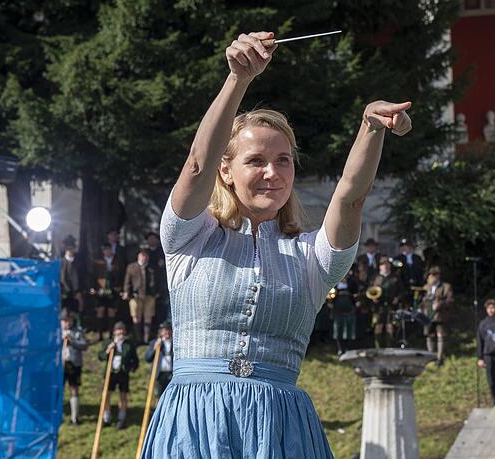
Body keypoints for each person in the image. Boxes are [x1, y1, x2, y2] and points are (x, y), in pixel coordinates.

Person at [141, 31, 411, 458]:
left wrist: (371, 128)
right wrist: (238, 79)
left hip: (281, 428)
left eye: (283, 160)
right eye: (256, 161)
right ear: (226, 172)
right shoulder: (188, 236)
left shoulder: (311, 257)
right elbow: (197, 165)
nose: (273, 172)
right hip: (194, 423)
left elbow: (351, 197)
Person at [97, 321, 139, 429]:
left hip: (123, 374)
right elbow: (100, 356)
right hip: (110, 373)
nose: (120, 333)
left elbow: (135, 360)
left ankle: (121, 418)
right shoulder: (108, 342)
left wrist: (130, 368)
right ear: (114, 332)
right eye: (118, 330)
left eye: (122, 330)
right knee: (106, 394)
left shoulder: (129, 344)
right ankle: (106, 417)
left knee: (123, 396)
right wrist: (108, 350)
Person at [123, 249, 158, 344]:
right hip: (135, 295)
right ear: (138, 256)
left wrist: (158, 291)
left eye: (146, 255)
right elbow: (127, 281)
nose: (144, 257)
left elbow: (158, 280)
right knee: (135, 316)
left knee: (148, 316)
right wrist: (126, 291)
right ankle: (138, 339)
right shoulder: (131, 267)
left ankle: (146, 339)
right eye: (142, 255)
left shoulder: (152, 267)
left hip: (149, 295)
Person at [91, 242, 124, 340]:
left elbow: (121, 274)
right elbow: (94, 275)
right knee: (100, 310)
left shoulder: (117, 261)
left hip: (113, 288)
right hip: (101, 288)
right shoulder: (98, 261)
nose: (107, 251)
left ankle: (111, 334)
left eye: (108, 249)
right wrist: (93, 287)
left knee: (111, 311)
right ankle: (100, 334)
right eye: (105, 250)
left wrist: (119, 286)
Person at [61, 310, 88, 425]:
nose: (67, 323)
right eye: (64, 321)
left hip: (74, 364)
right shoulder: (56, 332)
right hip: (60, 364)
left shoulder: (78, 332)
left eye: (69, 320)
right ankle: (59, 415)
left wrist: (72, 341)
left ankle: (74, 417)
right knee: (59, 389)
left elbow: (84, 345)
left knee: (74, 388)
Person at [422, 266, 453, 365]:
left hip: (440, 315)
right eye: (431, 275)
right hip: (428, 315)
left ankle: (439, 358)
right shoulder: (426, 287)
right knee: (429, 335)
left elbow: (450, 300)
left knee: (440, 335)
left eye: (435, 275)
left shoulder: (446, 286)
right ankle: (430, 356)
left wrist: (440, 304)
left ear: (438, 276)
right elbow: (421, 300)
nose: (432, 277)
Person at [144, 320, 173, 396]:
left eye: (169, 330)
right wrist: (154, 349)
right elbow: (147, 358)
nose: (167, 332)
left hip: (172, 374)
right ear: (161, 332)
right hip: (159, 374)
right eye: (165, 330)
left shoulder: (175, 343)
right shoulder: (154, 342)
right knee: (159, 395)